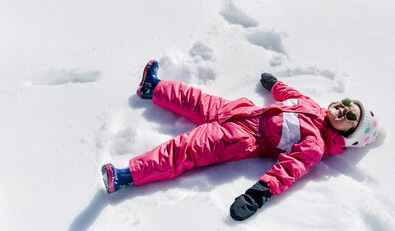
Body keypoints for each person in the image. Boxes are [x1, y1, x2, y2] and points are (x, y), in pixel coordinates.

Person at [101, 60, 379, 221]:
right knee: (196, 99)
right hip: (241, 110)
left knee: (184, 149)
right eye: (346, 102)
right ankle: (154, 88)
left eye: (350, 115)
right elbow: (289, 95)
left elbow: (287, 170)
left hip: (239, 138)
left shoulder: (315, 144)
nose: (343, 108)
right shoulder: (313, 106)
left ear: (348, 134)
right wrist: (274, 85)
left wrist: (257, 195)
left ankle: (126, 176)